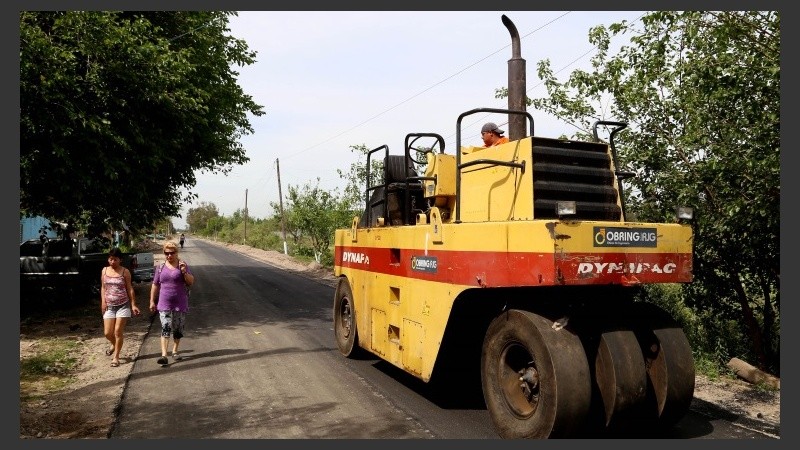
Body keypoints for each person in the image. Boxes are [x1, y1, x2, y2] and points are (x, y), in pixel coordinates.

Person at [149, 241, 194, 366]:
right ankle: (164, 355)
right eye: (166, 253)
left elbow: (191, 282)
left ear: (176, 252)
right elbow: (155, 285)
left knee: (178, 328)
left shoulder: (182, 265)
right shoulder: (160, 267)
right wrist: (152, 301)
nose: (169, 255)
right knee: (166, 327)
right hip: (164, 303)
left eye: (172, 253)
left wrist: (184, 272)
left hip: (180, 303)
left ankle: (174, 351)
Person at [101, 247, 141, 367]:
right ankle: (114, 344)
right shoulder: (104, 270)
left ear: (120, 260)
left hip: (123, 305)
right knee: (108, 333)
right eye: (110, 259)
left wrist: (133, 304)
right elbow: (103, 287)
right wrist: (103, 302)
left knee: (118, 331)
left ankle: (116, 357)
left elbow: (129, 288)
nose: (112, 262)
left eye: (115, 259)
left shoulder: (125, 272)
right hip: (109, 306)